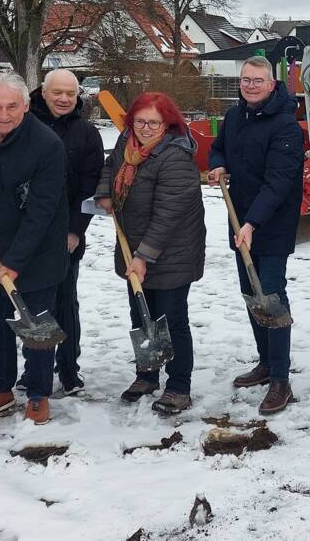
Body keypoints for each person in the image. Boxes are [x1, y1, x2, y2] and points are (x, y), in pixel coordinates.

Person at [0, 72, 68, 425]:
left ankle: (38, 393)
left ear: (26, 105)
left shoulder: (47, 145)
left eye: (11, 106)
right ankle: (1, 389)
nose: (3, 114)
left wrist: (16, 263)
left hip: (38, 251)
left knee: (36, 326)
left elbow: (41, 212)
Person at [95, 92, 205, 415]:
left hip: (173, 251)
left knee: (171, 319)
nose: (145, 128)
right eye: (140, 121)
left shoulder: (175, 156)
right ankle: (146, 375)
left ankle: (178, 386)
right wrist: (104, 192)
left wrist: (143, 257)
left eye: (153, 122)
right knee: (142, 315)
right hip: (134, 246)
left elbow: (168, 215)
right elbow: (110, 167)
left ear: (167, 124)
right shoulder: (126, 143)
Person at [207, 57, 304, 415]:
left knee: (271, 297)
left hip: (271, 226)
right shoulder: (236, 117)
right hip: (242, 222)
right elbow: (219, 148)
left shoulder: (285, 127)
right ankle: (264, 362)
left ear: (272, 84)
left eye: (258, 81)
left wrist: (251, 224)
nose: (250, 85)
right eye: (246, 80)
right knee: (251, 294)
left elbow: (278, 183)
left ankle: (281, 379)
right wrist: (217, 163)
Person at [28, 69, 103, 396]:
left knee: (65, 302)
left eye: (70, 94)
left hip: (67, 234)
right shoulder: (24, 125)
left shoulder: (87, 134)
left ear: (78, 96)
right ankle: (34, 366)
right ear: (43, 92)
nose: (63, 99)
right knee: (32, 305)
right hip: (28, 235)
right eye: (57, 92)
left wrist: (75, 230)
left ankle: (69, 369)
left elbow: (89, 186)